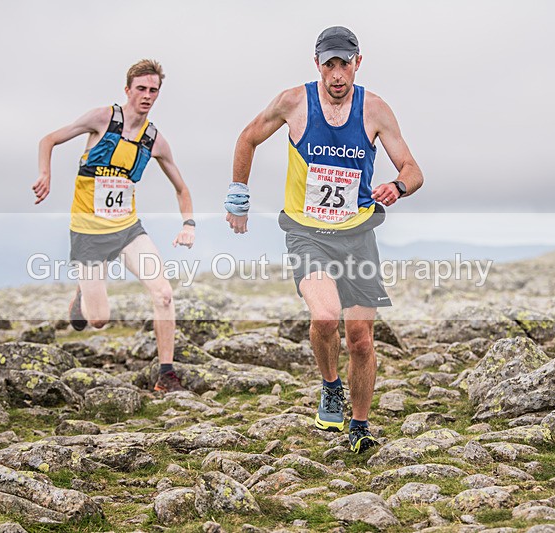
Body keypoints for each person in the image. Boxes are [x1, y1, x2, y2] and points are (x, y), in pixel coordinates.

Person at [225, 27, 424, 453]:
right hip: (306, 232)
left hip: (358, 236)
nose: (337, 75)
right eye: (329, 65)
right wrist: (238, 196)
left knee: (361, 337)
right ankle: (331, 385)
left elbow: (412, 168)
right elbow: (248, 137)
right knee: (324, 316)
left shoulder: (375, 110)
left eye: (345, 64)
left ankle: (359, 425)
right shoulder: (294, 102)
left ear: (358, 62)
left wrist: (397, 187)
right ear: (317, 64)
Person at [32, 59, 195, 393]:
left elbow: (181, 187)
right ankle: (81, 294)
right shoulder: (101, 119)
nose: (147, 96)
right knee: (98, 320)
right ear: (128, 90)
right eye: (141, 89)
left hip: (127, 231)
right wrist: (45, 173)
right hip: (88, 232)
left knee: (164, 294)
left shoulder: (155, 141)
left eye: (153, 90)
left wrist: (188, 222)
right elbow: (48, 139)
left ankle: (166, 374)